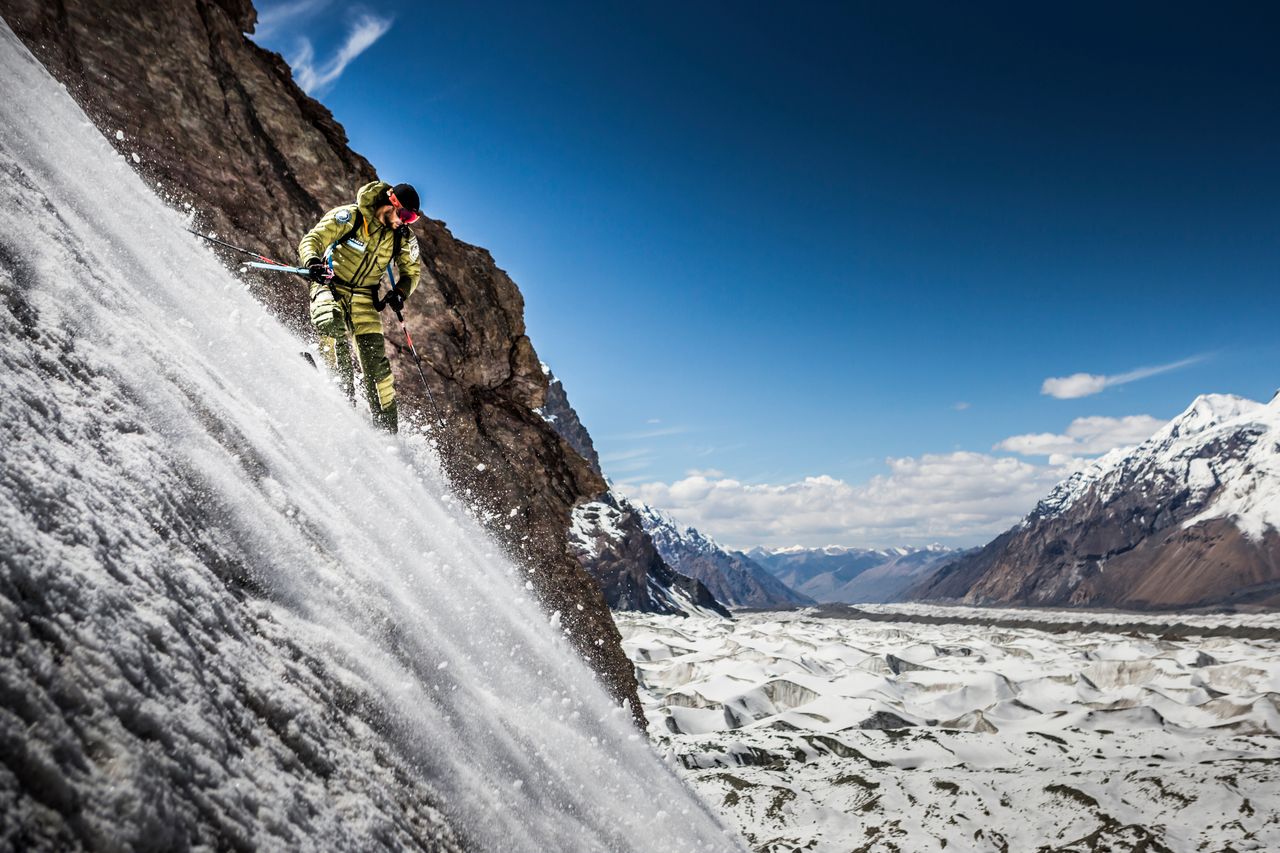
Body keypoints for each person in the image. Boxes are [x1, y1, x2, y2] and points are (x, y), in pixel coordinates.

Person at [298, 180, 423, 433]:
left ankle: (387, 434)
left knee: (377, 367)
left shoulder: (402, 238)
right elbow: (314, 239)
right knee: (330, 321)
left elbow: (412, 272)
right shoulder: (352, 216)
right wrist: (312, 262)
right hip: (331, 284)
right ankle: (340, 394)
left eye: (412, 220)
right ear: (392, 202)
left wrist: (400, 292)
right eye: (406, 215)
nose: (405, 222)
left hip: (365, 298)